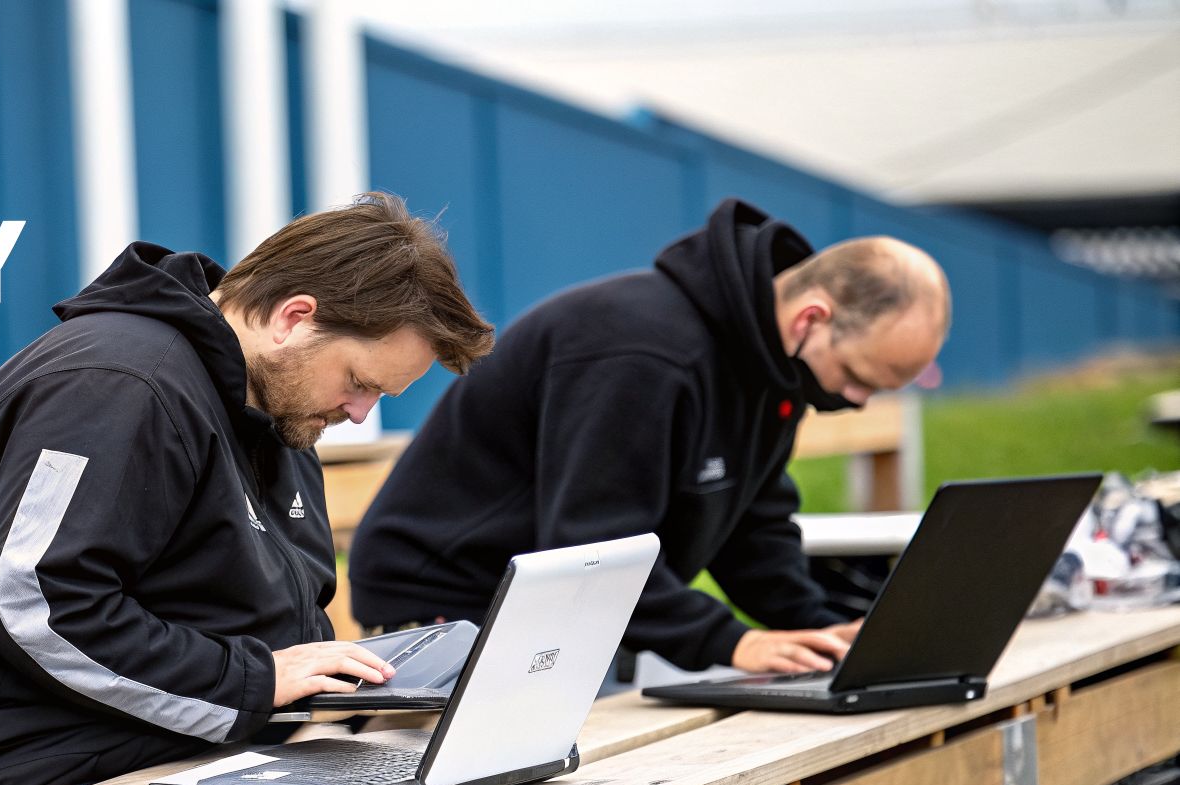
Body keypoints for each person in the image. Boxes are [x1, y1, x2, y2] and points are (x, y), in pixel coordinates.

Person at [0, 193, 494, 785]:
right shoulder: (116, 384)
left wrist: (348, 686)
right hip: (2, 768)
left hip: (150, 746)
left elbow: (257, 623)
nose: (359, 412)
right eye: (360, 381)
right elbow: (37, 606)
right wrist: (251, 680)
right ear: (293, 318)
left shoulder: (276, 411)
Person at [349, 199, 949, 677]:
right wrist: (730, 642)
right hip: (450, 612)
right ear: (811, 318)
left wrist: (818, 632)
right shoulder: (641, 353)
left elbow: (752, 524)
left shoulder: (770, 365)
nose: (856, 400)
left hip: (564, 609)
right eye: (856, 377)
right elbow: (592, 547)